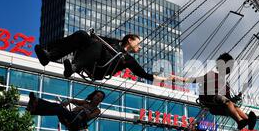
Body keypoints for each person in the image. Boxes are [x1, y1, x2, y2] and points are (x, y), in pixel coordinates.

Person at [35, 30, 168, 82]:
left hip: (100, 70)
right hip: (90, 60)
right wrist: (88, 35)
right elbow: (94, 37)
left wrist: (164, 78)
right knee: (82, 34)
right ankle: (49, 55)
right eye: (138, 44)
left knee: (98, 45)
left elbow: (143, 74)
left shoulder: (129, 59)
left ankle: (74, 67)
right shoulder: (113, 42)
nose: (140, 47)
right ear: (130, 40)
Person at [170, 53, 256, 130]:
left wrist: (235, 98)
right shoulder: (211, 75)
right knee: (229, 103)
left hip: (217, 106)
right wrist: (178, 79)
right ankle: (240, 121)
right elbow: (194, 80)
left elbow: (229, 101)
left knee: (234, 106)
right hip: (209, 100)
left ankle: (247, 121)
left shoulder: (226, 85)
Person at [26, 90, 105, 131]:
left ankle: (35, 107)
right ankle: (36, 104)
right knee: (58, 106)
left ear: (101, 100)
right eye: (97, 95)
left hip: (76, 123)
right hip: (70, 117)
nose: (98, 98)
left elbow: (89, 117)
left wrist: (82, 109)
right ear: (94, 95)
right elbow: (75, 101)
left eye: (100, 97)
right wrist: (69, 101)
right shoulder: (85, 103)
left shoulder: (97, 110)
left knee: (59, 109)